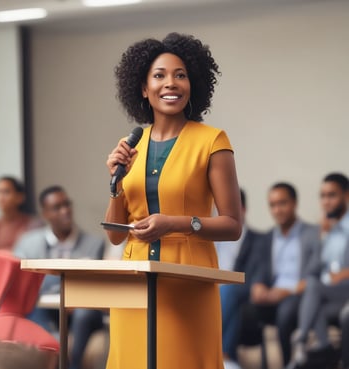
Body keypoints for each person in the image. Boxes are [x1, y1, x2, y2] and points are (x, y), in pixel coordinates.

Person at [103, 32, 242, 369]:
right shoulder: (130, 144)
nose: (172, 83)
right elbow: (115, 235)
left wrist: (175, 223)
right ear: (143, 87)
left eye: (180, 75)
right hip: (133, 281)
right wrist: (116, 181)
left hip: (187, 281)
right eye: (160, 75)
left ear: (192, 84)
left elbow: (232, 225)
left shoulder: (212, 141)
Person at [14, 185, 106, 369]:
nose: (65, 211)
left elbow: (95, 285)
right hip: (44, 308)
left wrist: (77, 298)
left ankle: (73, 365)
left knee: (84, 313)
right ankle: (54, 350)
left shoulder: (94, 244)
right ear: (45, 213)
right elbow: (21, 282)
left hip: (80, 309)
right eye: (57, 207)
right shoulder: (28, 243)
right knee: (33, 309)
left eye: (67, 204)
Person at [241, 182, 320, 367]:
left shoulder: (312, 233)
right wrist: (258, 285)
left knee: (285, 312)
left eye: (282, 203)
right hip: (271, 294)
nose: (277, 210)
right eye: (273, 205)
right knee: (244, 310)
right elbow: (260, 268)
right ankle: (230, 360)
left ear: (294, 203)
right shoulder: (268, 237)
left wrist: (285, 291)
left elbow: (316, 273)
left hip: (297, 294)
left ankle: (287, 364)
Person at [285, 173, 349, 369]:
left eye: (332, 195)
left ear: (346, 196)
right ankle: (324, 347)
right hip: (327, 293)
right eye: (322, 196)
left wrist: (344, 274)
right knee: (313, 304)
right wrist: (322, 239)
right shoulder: (323, 230)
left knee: (312, 288)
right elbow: (311, 270)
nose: (326, 202)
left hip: (345, 288)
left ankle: (302, 340)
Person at [0, 176, 41, 318]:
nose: (0, 197)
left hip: (21, 283)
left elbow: (25, 257)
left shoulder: (32, 225)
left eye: (6, 192)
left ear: (20, 197)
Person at [215, 189, 264, 369]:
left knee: (228, 290)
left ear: (242, 209)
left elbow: (258, 276)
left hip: (242, 291)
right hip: (212, 289)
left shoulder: (259, 240)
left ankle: (223, 355)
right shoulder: (210, 240)